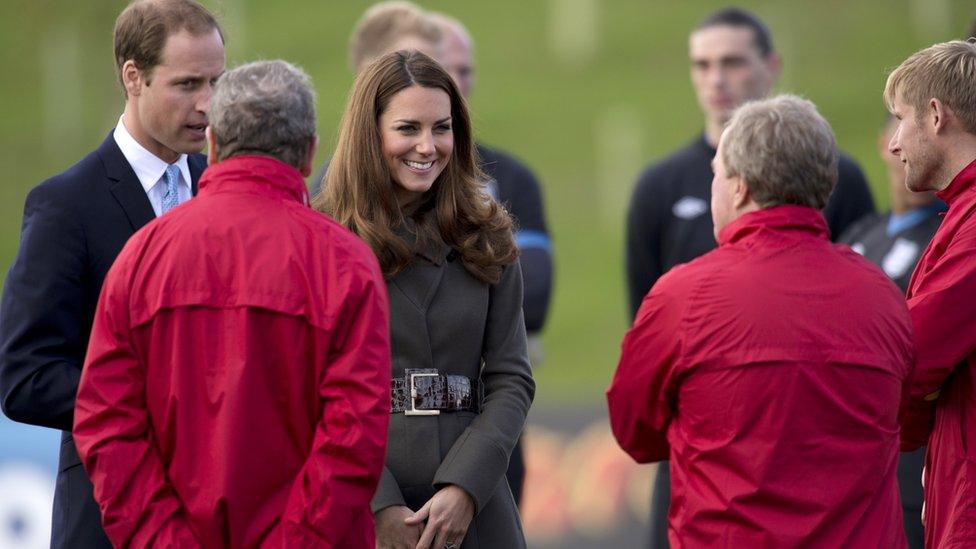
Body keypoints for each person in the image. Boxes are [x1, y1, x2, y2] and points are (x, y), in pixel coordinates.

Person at [71, 59, 391, 548]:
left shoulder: (141, 258)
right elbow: (354, 439)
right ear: (309, 154)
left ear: (214, 144)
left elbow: (108, 426)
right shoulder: (345, 263)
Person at [608, 95, 914, 546]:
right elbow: (904, 419)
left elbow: (634, 430)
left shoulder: (683, 296)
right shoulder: (884, 295)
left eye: (716, 174)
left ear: (739, 188)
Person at [0, 1, 224, 546]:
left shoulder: (223, 185)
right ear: (133, 77)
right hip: (109, 517)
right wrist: (159, 400)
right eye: (188, 84)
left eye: (218, 82)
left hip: (223, 513)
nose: (208, 104)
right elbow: (24, 376)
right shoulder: (65, 206)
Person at [315, 50, 535, 549]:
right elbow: (308, 387)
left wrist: (465, 487)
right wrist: (378, 504)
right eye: (408, 128)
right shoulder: (322, 239)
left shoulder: (488, 232)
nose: (427, 146)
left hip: (474, 503)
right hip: (361, 497)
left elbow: (511, 378)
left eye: (442, 128)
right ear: (370, 135)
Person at [431, 11, 553, 507]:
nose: (458, 83)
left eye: (467, 70)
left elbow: (537, 299)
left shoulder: (510, 177)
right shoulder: (355, 192)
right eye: (445, 69)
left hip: (490, 421)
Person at [886, 39, 976, 548]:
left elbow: (911, 355)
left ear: (936, 116)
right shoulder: (960, 213)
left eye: (900, 119)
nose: (894, 142)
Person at [838, 115, 943, 549]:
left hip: (912, 462)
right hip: (848, 461)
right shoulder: (861, 233)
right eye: (900, 131)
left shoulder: (950, 238)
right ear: (885, 142)